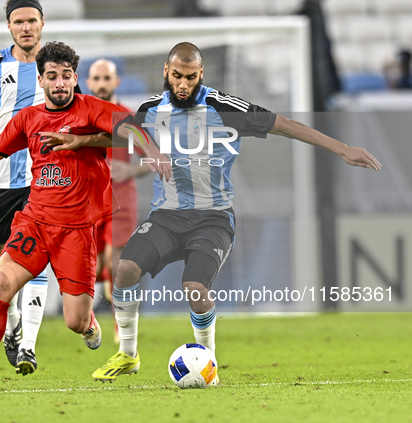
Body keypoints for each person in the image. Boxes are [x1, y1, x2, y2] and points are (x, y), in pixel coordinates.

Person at [87, 42, 382, 384]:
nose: (184, 85)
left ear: (201, 75)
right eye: (178, 77)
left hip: (213, 219)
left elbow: (284, 124)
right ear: (166, 72)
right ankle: (127, 353)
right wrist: (118, 146)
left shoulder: (223, 107)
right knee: (124, 269)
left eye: (191, 78)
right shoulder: (151, 108)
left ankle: (208, 359)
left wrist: (342, 148)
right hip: (165, 217)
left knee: (195, 288)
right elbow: (122, 131)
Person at [0, 41, 170, 392]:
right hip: (36, 222)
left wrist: (103, 146)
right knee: (0, 283)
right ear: (40, 80)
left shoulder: (91, 109)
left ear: (74, 78)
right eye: (52, 76)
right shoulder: (27, 118)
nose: (60, 83)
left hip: (76, 232)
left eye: (66, 76)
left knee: (74, 320)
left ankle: (88, 325)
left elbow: (132, 130)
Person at [0, 0, 93, 376]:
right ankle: (14, 326)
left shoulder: (57, 70)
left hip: (45, 181)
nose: (26, 27)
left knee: (39, 256)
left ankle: (27, 344)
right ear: (9, 27)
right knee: (7, 261)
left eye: (32, 20)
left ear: (43, 23)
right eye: (19, 21)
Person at [86, 59, 152, 342]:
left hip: (121, 198)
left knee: (115, 262)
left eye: (106, 78)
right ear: (88, 83)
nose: (101, 84)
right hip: (89, 199)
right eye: (96, 79)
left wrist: (131, 169)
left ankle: (120, 324)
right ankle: (102, 312)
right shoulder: (82, 118)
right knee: (95, 266)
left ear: (116, 83)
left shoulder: (127, 119)